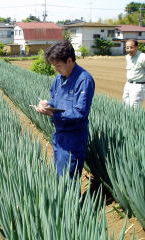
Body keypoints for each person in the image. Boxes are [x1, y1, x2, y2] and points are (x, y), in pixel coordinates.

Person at [35, 40, 95, 179]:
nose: (56, 69)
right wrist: (47, 104)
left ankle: (73, 201)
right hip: (59, 135)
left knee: (68, 179)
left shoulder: (84, 80)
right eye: (54, 65)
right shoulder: (58, 79)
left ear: (69, 60)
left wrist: (52, 113)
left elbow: (80, 112)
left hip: (74, 137)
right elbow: (56, 101)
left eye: (58, 65)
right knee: (59, 176)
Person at [122, 39, 145, 108]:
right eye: (127, 47)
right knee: (125, 105)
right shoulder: (128, 57)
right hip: (128, 84)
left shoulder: (142, 57)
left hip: (138, 86)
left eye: (131, 47)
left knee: (134, 108)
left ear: (137, 47)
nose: (129, 49)